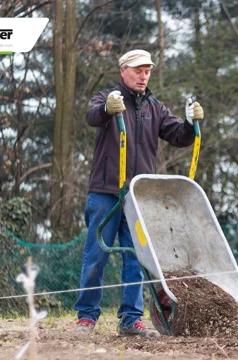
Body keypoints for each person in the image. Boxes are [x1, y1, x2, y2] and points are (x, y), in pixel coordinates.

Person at [73, 49, 204, 337]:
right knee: (96, 255)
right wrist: (109, 108)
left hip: (138, 197)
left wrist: (191, 124)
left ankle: (131, 319)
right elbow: (92, 116)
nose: (143, 75)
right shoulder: (106, 99)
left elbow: (178, 136)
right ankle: (86, 317)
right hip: (105, 193)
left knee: (137, 258)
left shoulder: (154, 108)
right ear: (123, 72)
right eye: (137, 70)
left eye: (147, 71)